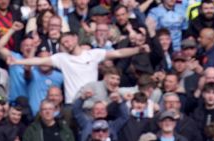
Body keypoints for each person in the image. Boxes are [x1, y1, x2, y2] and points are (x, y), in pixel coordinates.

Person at [8, 32, 150, 104]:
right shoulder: (62, 58)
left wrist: (138, 50)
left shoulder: (93, 54)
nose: (67, 44)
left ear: (76, 38)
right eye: (64, 43)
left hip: (94, 102)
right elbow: (39, 60)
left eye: (68, 40)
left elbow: (118, 53)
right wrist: (17, 62)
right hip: (72, 104)